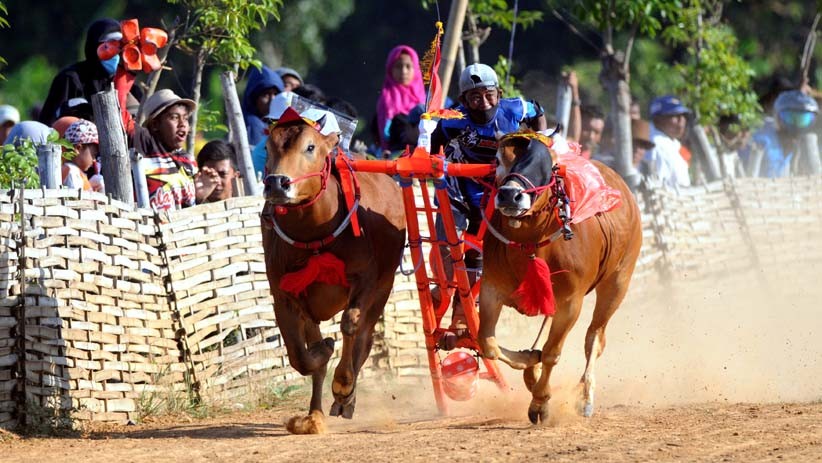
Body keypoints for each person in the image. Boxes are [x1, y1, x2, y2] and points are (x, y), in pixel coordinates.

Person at [430, 62, 546, 335]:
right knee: (453, 241)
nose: (483, 103)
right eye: (474, 97)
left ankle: (507, 291)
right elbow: (434, 147)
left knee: (501, 241)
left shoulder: (515, 108)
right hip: (465, 185)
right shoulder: (452, 119)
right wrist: (426, 162)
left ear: (499, 93)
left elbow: (538, 111)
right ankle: (451, 293)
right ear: (463, 100)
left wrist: (541, 142)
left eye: (489, 95)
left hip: (504, 185)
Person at [39, 19, 130, 126]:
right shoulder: (71, 79)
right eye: (108, 47)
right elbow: (49, 124)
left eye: (119, 47)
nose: (115, 54)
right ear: (94, 47)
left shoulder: (125, 82)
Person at [132, 89, 202, 211]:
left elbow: (190, 206)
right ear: (155, 125)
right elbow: (120, 116)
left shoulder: (188, 161)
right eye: (174, 118)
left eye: (185, 118)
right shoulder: (146, 144)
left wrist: (201, 194)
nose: (182, 124)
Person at [745, 89, 818, 178]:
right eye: (790, 118)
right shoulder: (763, 139)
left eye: (803, 120)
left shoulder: (798, 143)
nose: (796, 127)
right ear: (777, 117)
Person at [376, 45, 426, 151]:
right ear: (390, 69)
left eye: (408, 66)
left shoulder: (426, 100)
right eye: (398, 66)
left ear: (416, 69)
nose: (404, 71)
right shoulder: (385, 100)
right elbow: (385, 136)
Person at [643, 95, 692, 189]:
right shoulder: (656, 143)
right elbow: (661, 184)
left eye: (683, 115)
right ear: (658, 119)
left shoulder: (672, 141)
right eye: (675, 115)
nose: (681, 120)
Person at [241, 65, 285, 148]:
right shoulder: (252, 126)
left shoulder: (278, 125)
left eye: (276, 94)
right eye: (266, 94)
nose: (272, 99)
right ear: (253, 98)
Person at [61, 119, 99, 191]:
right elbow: (75, 200)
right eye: (93, 155)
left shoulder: (75, 172)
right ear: (78, 148)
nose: (94, 160)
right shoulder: (72, 172)